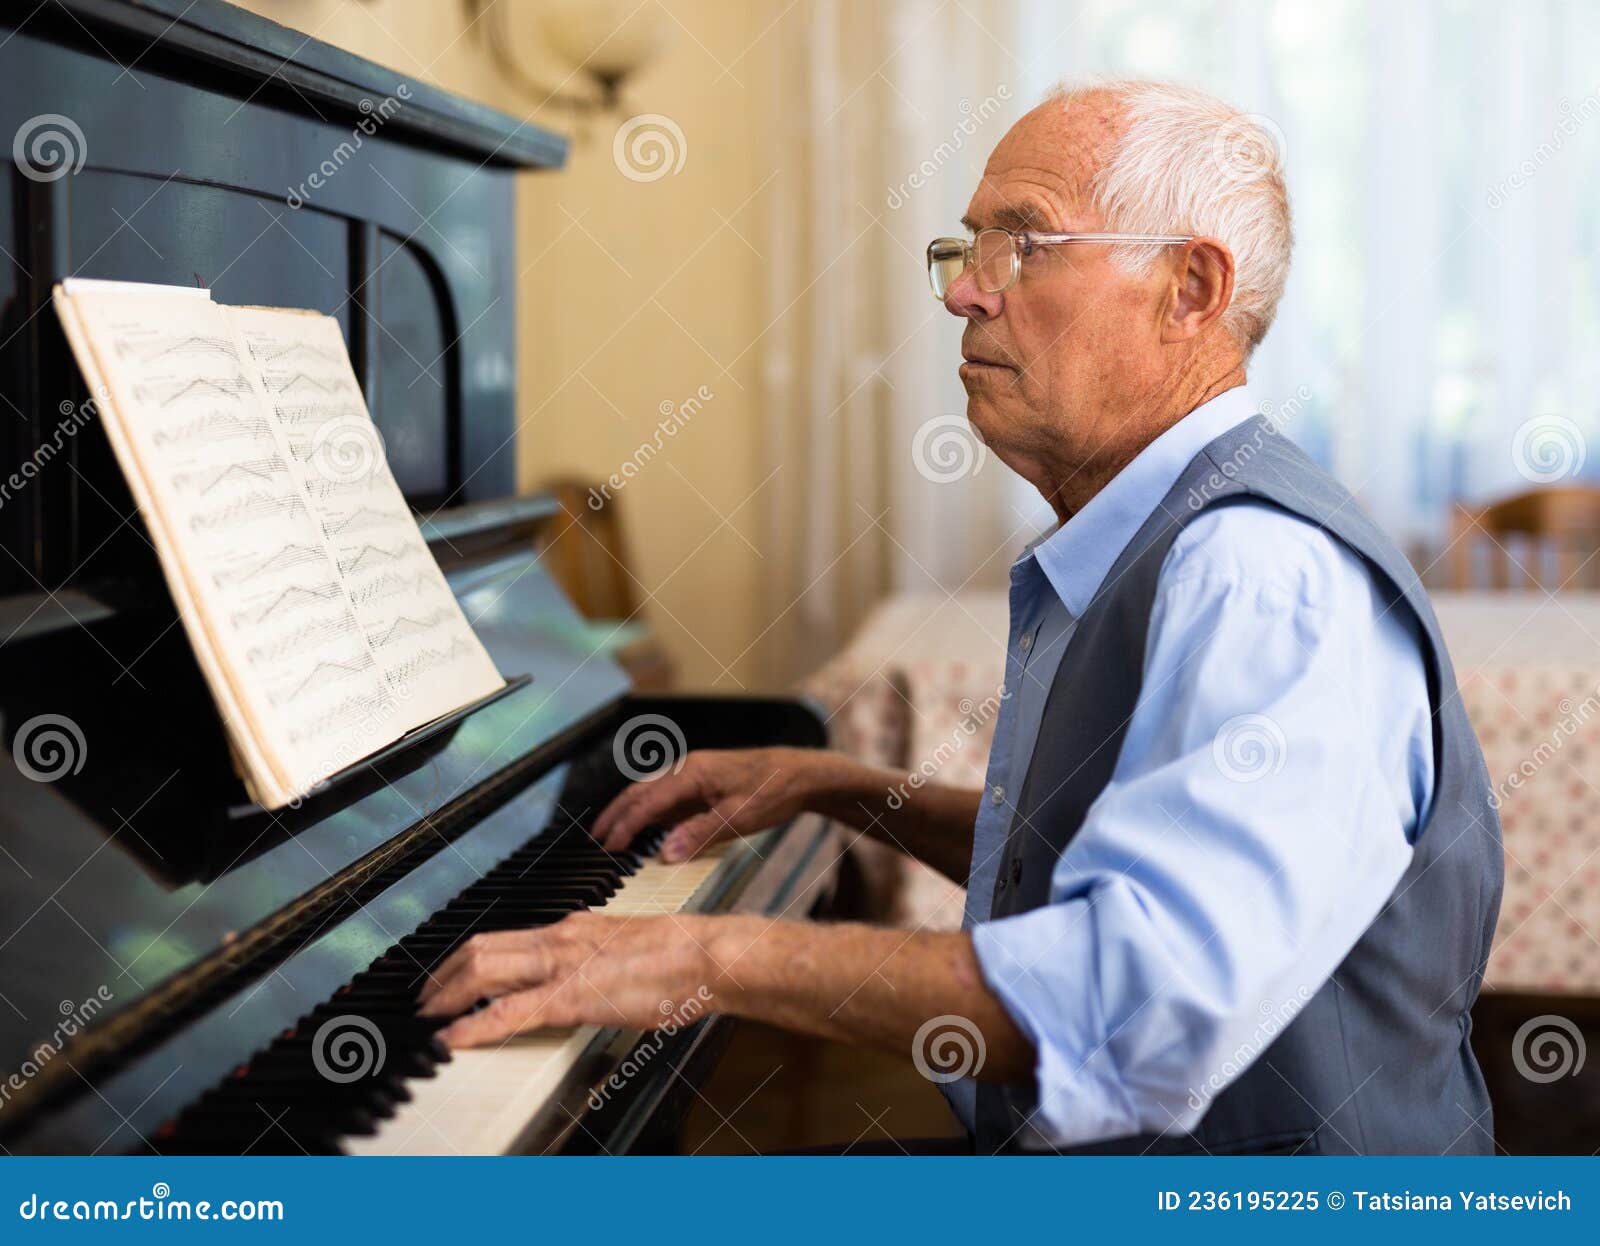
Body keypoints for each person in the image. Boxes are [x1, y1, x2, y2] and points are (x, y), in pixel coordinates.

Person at [418, 79, 1503, 1155]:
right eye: (968, 247)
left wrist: (700, 957)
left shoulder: (1258, 572)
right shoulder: (1153, 531)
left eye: (1022, 246)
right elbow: (1098, 856)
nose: (962, 295)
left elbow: (1130, 1000)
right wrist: (839, 790)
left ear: (1189, 287)